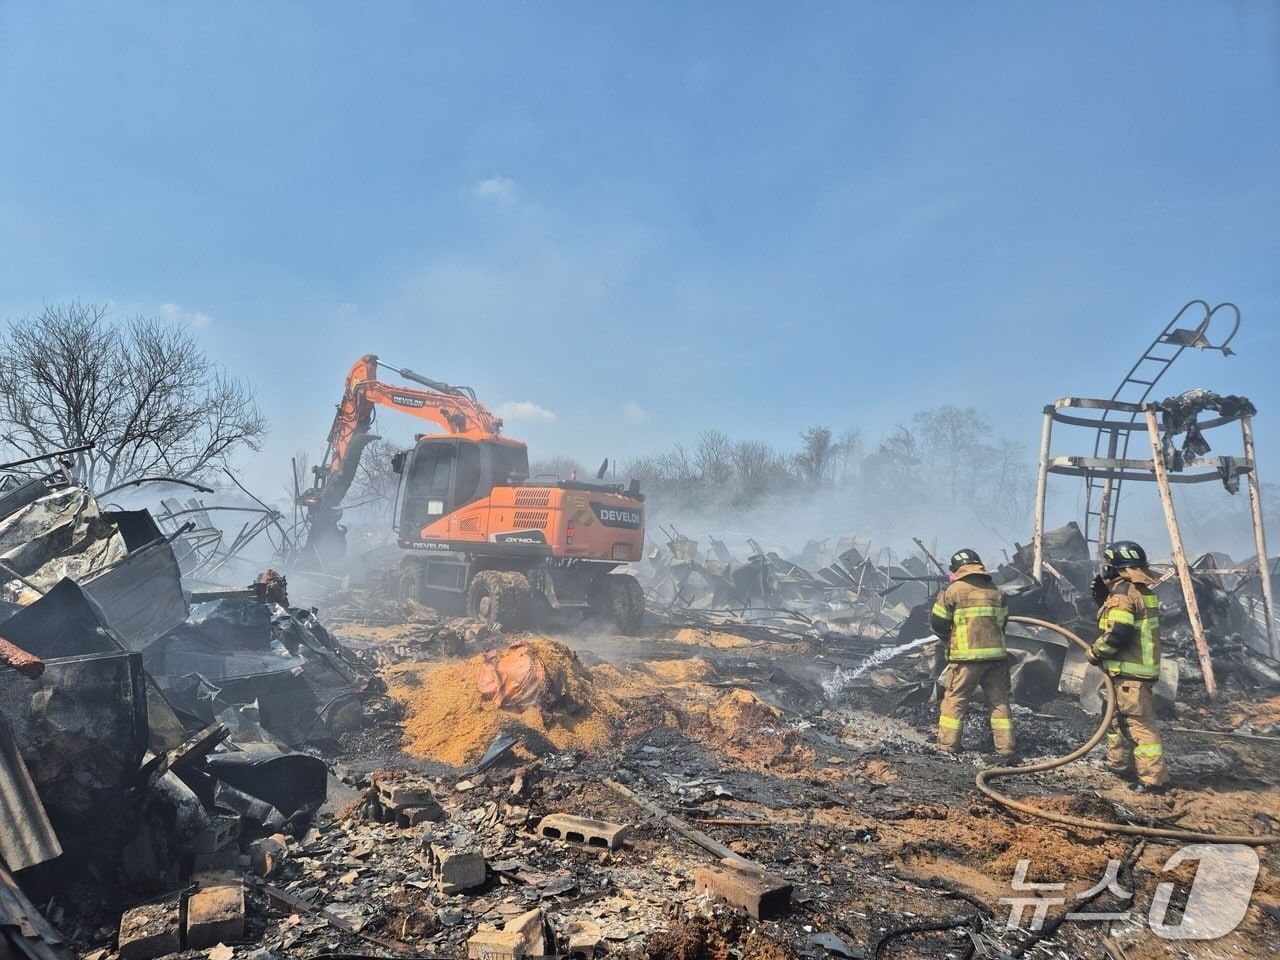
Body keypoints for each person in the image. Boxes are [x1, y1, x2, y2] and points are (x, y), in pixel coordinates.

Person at [1087, 540, 1168, 793]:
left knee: (1138, 725)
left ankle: (1152, 780)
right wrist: (1103, 598)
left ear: (1114, 568)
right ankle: (1119, 765)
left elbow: (1117, 635)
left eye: (1107, 565)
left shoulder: (1122, 596)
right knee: (1115, 720)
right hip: (1131, 671)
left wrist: (1095, 652)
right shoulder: (1140, 591)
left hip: (1131, 672)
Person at [930, 548, 1015, 757]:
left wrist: (949, 640)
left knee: (955, 701)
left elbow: (938, 624)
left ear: (957, 569)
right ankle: (1006, 749)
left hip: (966, 660)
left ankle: (948, 746)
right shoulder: (996, 591)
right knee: (999, 701)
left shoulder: (953, 591)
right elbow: (1003, 623)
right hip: (996, 659)